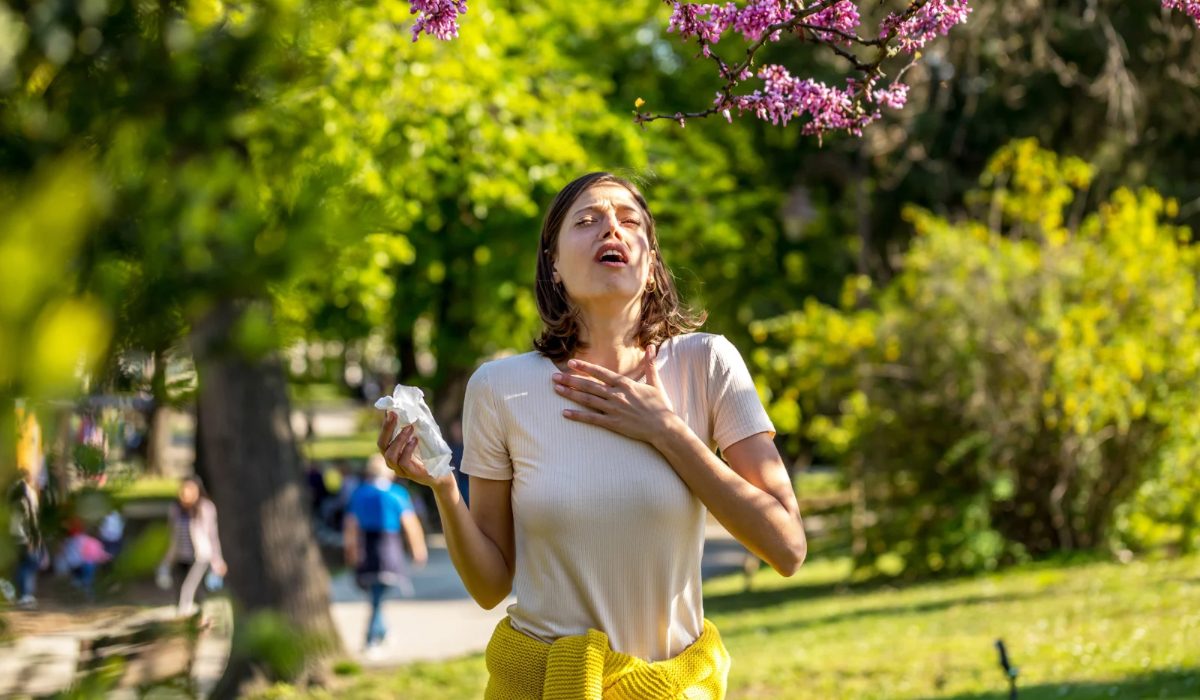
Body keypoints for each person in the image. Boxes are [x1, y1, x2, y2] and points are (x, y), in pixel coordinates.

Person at [377, 172, 808, 698]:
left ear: (651, 263)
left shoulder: (708, 363)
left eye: (630, 221)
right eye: (587, 220)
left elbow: (787, 548)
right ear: (554, 265)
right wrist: (443, 486)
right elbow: (490, 585)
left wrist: (667, 431)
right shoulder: (498, 387)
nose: (612, 228)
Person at [343, 454, 428, 652]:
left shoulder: (359, 493)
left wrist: (351, 550)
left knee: (376, 593)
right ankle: (373, 636)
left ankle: (381, 632)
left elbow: (351, 525)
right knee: (378, 594)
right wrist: (418, 549)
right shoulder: (397, 493)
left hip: (367, 545)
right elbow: (410, 524)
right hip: (388, 546)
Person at [158, 476, 227, 617]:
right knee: (183, 588)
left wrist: (217, 560)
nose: (185, 493)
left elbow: (212, 535)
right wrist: (166, 559)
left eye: (189, 489)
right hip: (180, 555)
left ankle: (184, 615)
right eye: (183, 489)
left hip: (200, 556)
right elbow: (172, 535)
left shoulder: (206, 508)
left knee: (188, 587)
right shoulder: (175, 509)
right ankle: (197, 617)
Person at [8, 437, 43, 610]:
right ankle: (25, 595)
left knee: (21, 564)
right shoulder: (27, 494)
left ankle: (19, 594)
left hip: (13, 533)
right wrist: (33, 537)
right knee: (29, 564)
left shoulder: (11, 492)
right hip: (24, 534)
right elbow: (31, 517)